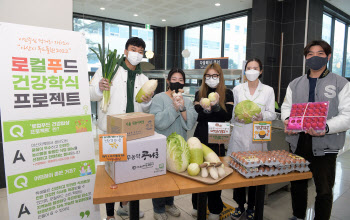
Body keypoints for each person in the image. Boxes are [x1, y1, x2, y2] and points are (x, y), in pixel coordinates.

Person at [281, 40, 350, 220]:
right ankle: (298, 216)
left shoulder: (340, 83)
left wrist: (326, 127)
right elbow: (286, 107)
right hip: (298, 141)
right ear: (305, 58)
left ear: (328, 57)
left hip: (326, 142)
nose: (315, 57)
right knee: (297, 184)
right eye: (310, 54)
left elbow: (347, 115)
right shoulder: (295, 83)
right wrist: (288, 121)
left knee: (324, 189)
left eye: (320, 53)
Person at [90, 37, 153, 220]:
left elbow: (145, 107)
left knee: (131, 170)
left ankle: (124, 207)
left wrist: (148, 102)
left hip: (134, 132)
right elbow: (91, 93)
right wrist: (100, 89)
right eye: (134, 49)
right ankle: (110, 215)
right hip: (113, 132)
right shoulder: (108, 69)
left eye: (141, 51)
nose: (137, 54)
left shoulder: (143, 77)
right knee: (111, 173)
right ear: (126, 51)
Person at [228, 58, 276, 220]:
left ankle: (252, 207)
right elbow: (232, 113)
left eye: (255, 68)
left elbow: (272, 114)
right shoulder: (237, 89)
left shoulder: (268, 90)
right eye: (249, 67)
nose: (252, 70)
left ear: (261, 71)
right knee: (239, 173)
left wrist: (262, 115)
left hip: (258, 136)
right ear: (245, 70)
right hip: (240, 135)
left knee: (256, 173)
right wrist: (236, 118)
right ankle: (240, 205)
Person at [150, 68, 198, 220]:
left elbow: (189, 124)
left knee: (173, 175)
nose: (177, 82)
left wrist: (182, 107)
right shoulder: (158, 98)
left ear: (184, 83)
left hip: (179, 144)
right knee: (160, 177)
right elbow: (157, 122)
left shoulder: (188, 100)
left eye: (181, 80)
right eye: (174, 79)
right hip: (161, 144)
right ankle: (158, 209)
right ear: (168, 81)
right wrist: (173, 107)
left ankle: (169, 203)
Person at [191, 63, 234, 220]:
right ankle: (197, 205)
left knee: (216, 173)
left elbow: (227, 116)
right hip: (201, 136)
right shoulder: (199, 93)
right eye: (208, 76)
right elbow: (199, 117)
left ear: (220, 77)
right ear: (204, 78)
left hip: (218, 139)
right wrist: (207, 110)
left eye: (215, 75)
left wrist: (214, 107)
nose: (211, 79)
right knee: (199, 172)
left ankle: (215, 209)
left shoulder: (227, 93)